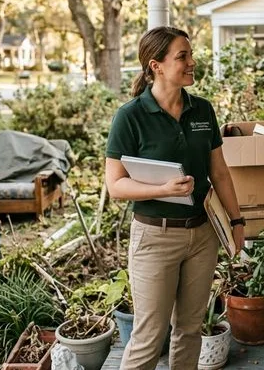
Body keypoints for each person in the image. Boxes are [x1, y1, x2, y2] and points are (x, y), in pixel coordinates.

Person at [105, 26, 246, 370]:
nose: (191, 62)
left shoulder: (202, 110)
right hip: (155, 237)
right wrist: (162, 190)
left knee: (189, 330)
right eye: (183, 56)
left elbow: (221, 173)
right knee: (149, 336)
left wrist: (237, 221)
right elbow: (116, 185)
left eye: (190, 54)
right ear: (157, 65)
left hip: (202, 235)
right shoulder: (131, 116)